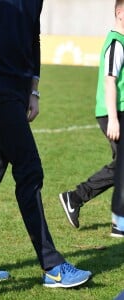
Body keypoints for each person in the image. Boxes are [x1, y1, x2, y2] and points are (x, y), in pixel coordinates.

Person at [0, 0, 92, 288]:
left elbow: (33, 38)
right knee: (30, 171)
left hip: (17, 91)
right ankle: (52, 267)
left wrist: (34, 90)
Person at [59, 0, 124, 238]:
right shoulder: (116, 43)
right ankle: (80, 199)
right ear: (119, 13)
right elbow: (110, 81)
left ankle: (75, 198)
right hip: (113, 112)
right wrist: (114, 119)